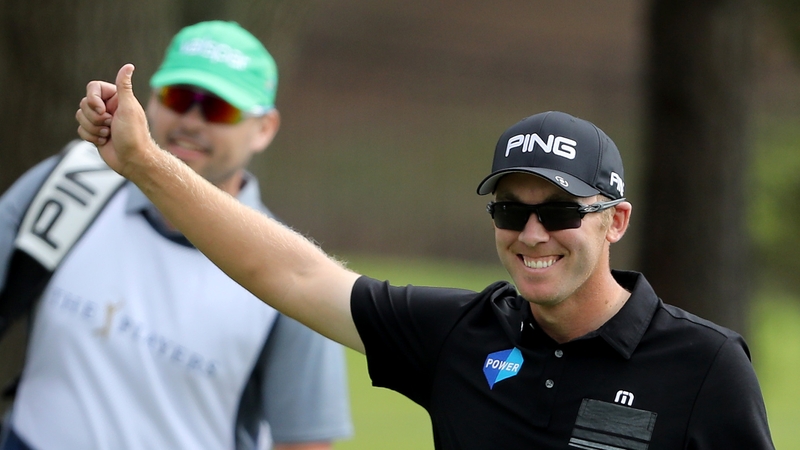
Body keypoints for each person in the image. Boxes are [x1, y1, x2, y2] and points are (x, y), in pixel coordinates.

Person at [76, 62, 775, 448]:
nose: (531, 235)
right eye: (509, 210)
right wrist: (144, 164)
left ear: (614, 220)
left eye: (559, 212)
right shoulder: (459, 336)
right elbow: (290, 274)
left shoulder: (706, 369)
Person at [0, 22, 353, 450]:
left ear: (263, 128)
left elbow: (304, 441)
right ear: (150, 99)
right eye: (178, 98)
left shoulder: (290, 268)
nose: (190, 121)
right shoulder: (72, 183)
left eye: (219, 109)